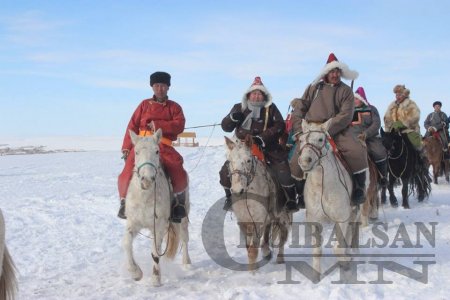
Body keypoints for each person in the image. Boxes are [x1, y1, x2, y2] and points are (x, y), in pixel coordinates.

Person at [289, 53, 368, 205]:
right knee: (295, 159)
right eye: (332, 71)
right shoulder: (313, 87)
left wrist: (327, 128)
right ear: (326, 72)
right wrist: (299, 129)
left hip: (336, 129)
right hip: (311, 129)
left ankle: (359, 188)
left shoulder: (345, 91)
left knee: (356, 149)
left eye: (338, 71)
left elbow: (346, 114)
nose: (335, 74)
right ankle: (301, 194)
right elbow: (300, 108)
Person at [117, 71, 188, 223]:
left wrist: (159, 125)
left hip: (162, 145)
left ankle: (178, 203)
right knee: (126, 171)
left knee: (177, 167)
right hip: (142, 145)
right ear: (152, 87)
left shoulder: (174, 107)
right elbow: (133, 125)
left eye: (163, 86)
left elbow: (179, 125)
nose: (159, 89)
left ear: (168, 87)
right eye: (156, 86)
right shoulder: (144, 105)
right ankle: (124, 203)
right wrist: (127, 147)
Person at [220, 76, 298, 212]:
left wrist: (263, 137)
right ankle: (229, 198)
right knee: (225, 171)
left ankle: (290, 199)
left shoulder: (271, 108)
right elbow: (226, 127)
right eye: (254, 93)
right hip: (241, 147)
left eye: (259, 94)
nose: (256, 96)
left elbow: (280, 125)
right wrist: (231, 118)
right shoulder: (238, 107)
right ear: (249, 95)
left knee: (283, 170)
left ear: (264, 96)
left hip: (266, 145)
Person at [351, 87, 388, 186]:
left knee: (379, 152)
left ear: (362, 99)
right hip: (354, 139)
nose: (355, 101)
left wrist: (366, 134)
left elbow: (376, 124)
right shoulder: (350, 110)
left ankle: (382, 177)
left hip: (370, 138)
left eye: (357, 99)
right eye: (354, 99)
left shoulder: (371, 109)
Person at [384, 84, 423, 151]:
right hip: (394, 131)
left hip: (409, 130)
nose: (397, 97)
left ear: (404, 95)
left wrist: (402, 124)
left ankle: (421, 159)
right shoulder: (392, 105)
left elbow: (415, 117)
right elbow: (387, 117)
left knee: (416, 146)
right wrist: (390, 126)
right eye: (396, 95)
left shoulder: (411, 104)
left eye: (399, 95)